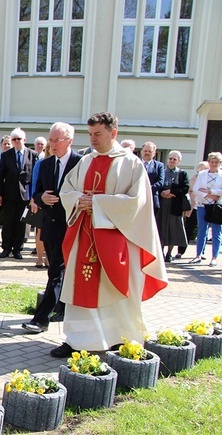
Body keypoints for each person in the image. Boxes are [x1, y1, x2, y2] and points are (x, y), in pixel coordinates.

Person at [52, 112, 167, 358]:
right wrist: (78, 200)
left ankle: (121, 338)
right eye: (90, 134)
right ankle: (77, 341)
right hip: (84, 235)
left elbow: (136, 202)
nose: (93, 139)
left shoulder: (130, 163)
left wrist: (99, 203)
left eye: (98, 134)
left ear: (113, 133)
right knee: (78, 287)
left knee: (116, 290)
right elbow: (67, 191)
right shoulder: (85, 161)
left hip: (116, 240)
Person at [21, 122, 82, 334]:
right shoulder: (46, 164)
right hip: (49, 225)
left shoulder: (81, 163)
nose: (53, 144)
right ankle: (61, 307)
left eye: (58, 140)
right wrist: (41, 197)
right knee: (56, 270)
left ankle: (41, 319)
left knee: (56, 271)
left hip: (71, 225)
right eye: (51, 140)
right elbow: (36, 192)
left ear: (70, 141)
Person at [0, 128, 36, 259]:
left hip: (25, 195)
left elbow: (35, 176)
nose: (16, 141)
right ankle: (6, 248)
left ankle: (17, 249)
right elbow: (1, 176)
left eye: (19, 139)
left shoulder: (32, 154)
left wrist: (34, 196)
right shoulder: (6, 155)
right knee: (8, 222)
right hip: (9, 194)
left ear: (25, 140)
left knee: (21, 223)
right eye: (14, 139)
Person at [189, 152, 222, 267]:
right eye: (212, 162)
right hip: (203, 204)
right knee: (202, 231)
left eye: (216, 162)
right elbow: (196, 189)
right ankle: (198, 255)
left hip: (216, 207)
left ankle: (214, 257)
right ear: (209, 162)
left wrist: (210, 192)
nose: (213, 164)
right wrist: (210, 195)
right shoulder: (202, 174)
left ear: (219, 163)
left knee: (217, 232)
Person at [157, 151, 189, 262]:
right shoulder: (162, 171)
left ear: (178, 161)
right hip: (162, 205)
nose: (172, 161)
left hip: (174, 206)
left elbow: (185, 188)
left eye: (174, 159)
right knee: (160, 227)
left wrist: (171, 191)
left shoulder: (182, 173)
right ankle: (160, 251)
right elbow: (158, 185)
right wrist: (162, 193)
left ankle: (169, 253)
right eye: (170, 158)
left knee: (173, 229)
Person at [178, 161, 210, 258]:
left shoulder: (211, 178)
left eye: (204, 169)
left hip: (206, 206)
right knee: (188, 228)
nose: (201, 172)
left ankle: (201, 252)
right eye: (199, 170)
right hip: (194, 207)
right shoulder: (194, 178)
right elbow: (190, 190)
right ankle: (181, 250)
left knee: (204, 230)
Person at [140, 141, 165, 217]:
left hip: (152, 198)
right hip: (137, 197)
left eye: (150, 151)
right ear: (141, 152)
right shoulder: (135, 163)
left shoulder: (159, 166)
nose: (147, 153)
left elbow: (160, 182)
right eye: (145, 151)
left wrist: (148, 189)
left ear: (154, 153)